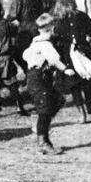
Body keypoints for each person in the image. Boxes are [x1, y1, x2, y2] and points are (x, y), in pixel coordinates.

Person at [51, 0, 91, 123]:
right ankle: (86, 108)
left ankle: (85, 108)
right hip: (72, 55)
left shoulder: (74, 17)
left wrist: (88, 36)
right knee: (80, 83)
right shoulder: (62, 19)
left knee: (78, 83)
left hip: (77, 54)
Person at [24, 14, 74, 155]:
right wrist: (66, 69)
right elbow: (54, 60)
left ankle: (40, 124)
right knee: (46, 109)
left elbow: (25, 55)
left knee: (58, 100)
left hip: (37, 78)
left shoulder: (35, 42)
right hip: (39, 79)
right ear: (52, 29)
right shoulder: (46, 45)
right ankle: (43, 142)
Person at [6, 0, 42, 72]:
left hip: (24, 31)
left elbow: (13, 15)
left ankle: (28, 75)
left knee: (18, 54)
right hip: (35, 30)